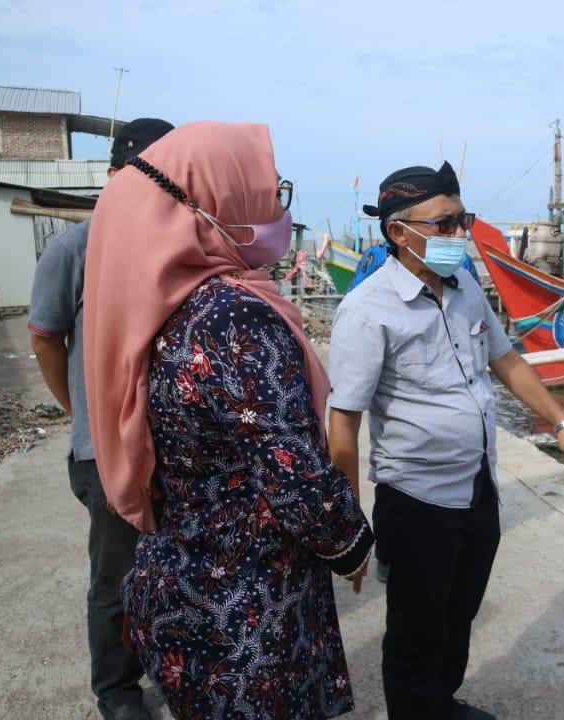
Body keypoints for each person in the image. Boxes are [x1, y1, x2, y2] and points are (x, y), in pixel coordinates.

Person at [81, 121, 374, 719]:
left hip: (181, 583)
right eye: (268, 191)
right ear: (212, 205)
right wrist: (351, 544)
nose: (277, 208)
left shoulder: (169, 303)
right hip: (245, 605)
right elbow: (295, 470)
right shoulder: (236, 317)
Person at [328, 161, 564, 720]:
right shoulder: (367, 310)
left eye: (461, 220)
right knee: (415, 628)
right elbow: (344, 421)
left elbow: (506, 360)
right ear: (399, 233)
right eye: (443, 225)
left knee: (459, 611)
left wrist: (562, 423)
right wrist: (347, 524)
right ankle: (416, 710)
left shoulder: (465, 286)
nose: (458, 235)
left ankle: (440, 701)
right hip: (417, 498)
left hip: (478, 486)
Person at [29, 117, 174, 720]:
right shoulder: (74, 249)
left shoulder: (178, 249)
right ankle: (117, 691)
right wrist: (82, 415)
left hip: (176, 451)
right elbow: (45, 340)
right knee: (115, 580)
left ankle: (172, 666)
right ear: (112, 175)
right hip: (105, 454)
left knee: (173, 572)